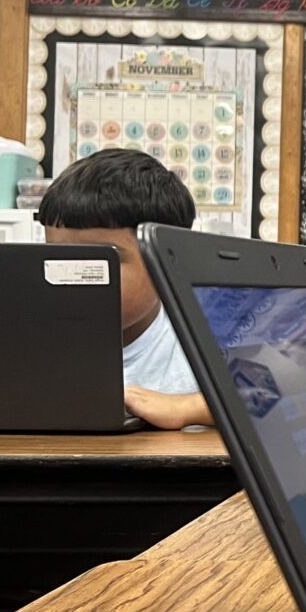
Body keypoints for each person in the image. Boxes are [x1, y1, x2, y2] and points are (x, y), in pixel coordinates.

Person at [36, 147, 212, 429]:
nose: (73, 278)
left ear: (169, 262)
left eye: (98, 261)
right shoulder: (31, 336)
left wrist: (186, 407)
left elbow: (272, 398)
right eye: (58, 257)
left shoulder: (203, 331)